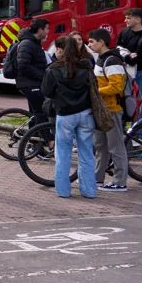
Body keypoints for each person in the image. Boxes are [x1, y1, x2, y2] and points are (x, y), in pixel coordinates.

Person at [42, 37, 98, 199]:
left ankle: (63, 190)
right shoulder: (86, 67)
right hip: (85, 112)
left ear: (61, 50)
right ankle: (89, 190)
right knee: (86, 152)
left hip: (65, 113)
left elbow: (47, 91)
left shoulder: (53, 69)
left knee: (63, 153)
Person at [88, 29, 129, 192]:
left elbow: (116, 86)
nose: (89, 44)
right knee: (100, 145)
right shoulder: (101, 60)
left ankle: (120, 182)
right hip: (102, 110)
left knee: (115, 146)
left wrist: (96, 92)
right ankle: (98, 178)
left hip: (112, 109)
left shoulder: (112, 60)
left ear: (101, 42)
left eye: (91, 41)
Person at [13, 18, 50, 126]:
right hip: (29, 83)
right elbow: (23, 65)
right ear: (40, 30)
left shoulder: (34, 42)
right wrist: (42, 75)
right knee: (41, 112)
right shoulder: (27, 43)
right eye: (47, 29)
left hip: (32, 83)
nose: (48, 31)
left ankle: (33, 137)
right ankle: (49, 140)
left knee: (35, 112)